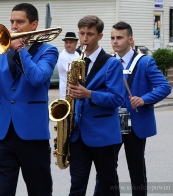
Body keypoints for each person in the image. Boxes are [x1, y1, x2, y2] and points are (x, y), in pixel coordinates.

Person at [0, 3, 58, 195]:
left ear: (34, 25)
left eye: (20, 22)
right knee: (1, 191)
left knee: (39, 191)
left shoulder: (48, 51)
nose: (14, 26)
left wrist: (21, 50)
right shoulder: (0, 51)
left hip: (33, 135)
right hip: (4, 134)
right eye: (12, 22)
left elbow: (36, 78)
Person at [108, 21, 170, 195]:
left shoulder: (145, 62)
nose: (115, 41)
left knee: (136, 169)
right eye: (112, 38)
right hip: (112, 122)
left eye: (119, 37)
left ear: (130, 39)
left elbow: (164, 87)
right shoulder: (109, 62)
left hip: (135, 122)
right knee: (107, 167)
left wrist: (144, 99)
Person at [67, 15, 125, 196]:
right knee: (77, 185)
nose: (84, 38)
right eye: (82, 33)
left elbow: (117, 98)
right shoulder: (77, 61)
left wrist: (89, 94)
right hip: (78, 134)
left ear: (100, 36)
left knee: (108, 185)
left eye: (90, 34)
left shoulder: (112, 63)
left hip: (103, 134)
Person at [57, 32, 80, 99]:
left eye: (70, 42)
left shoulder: (77, 54)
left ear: (76, 43)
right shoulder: (63, 56)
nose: (68, 45)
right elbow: (73, 74)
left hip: (75, 91)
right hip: (66, 93)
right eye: (66, 42)